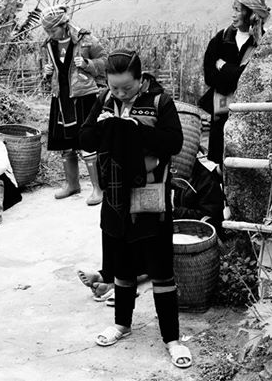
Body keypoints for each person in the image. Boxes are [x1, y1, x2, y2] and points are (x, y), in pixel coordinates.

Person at [79, 50, 192, 368]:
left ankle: (172, 339)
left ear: (141, 80)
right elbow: (85, 139)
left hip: (151, 198)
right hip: (115, 199)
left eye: (126, 88)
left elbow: (174, 143)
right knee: (123, 267)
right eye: (113, 87)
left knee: (161, 271)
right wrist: (104, 127)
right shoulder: (104, 99)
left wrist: (133, 128)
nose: (119, 93)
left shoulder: (159, 101)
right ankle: (122, 325)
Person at [41, 5, 107, 206]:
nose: (50, 34)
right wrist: (47, 72)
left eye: (53, 30)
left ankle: (97, 188)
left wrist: (87, 64)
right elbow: (51, 71)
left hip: (83, 96)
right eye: (47, 31)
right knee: (65, 143)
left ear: (64, 24)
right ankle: (72, 184)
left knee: (87, 141)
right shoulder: (49, 44)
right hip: (61, 97)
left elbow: (105, 60)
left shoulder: (85, 39)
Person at [198, 0, 270, 165]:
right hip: (221, 116)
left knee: (244, 164)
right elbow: (210, 77)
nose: (233, 15)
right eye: (234, 9)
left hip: (250, 117)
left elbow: (252, 79)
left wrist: (223, 66)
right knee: (217, 165)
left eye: (238, 10)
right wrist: (236, 75)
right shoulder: (221, 39)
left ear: (250, 14)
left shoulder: (263, 43)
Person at [172, 152, 225, 238]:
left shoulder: (207, 182)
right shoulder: (179, 174)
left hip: (200, 234)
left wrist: (175, 211)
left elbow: (210, 216)